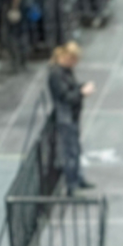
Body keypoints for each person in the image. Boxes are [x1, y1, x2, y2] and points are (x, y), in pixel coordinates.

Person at [47, 41, 95, 195]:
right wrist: (82, 93)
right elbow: (66, 97)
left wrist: (80, 87)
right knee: (70, 152)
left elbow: (71, 87)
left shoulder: (66, 71)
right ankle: (71, 185)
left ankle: (79, 178)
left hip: (73, 116)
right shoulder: (56, 74)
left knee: (76, 150)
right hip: (65, 117)